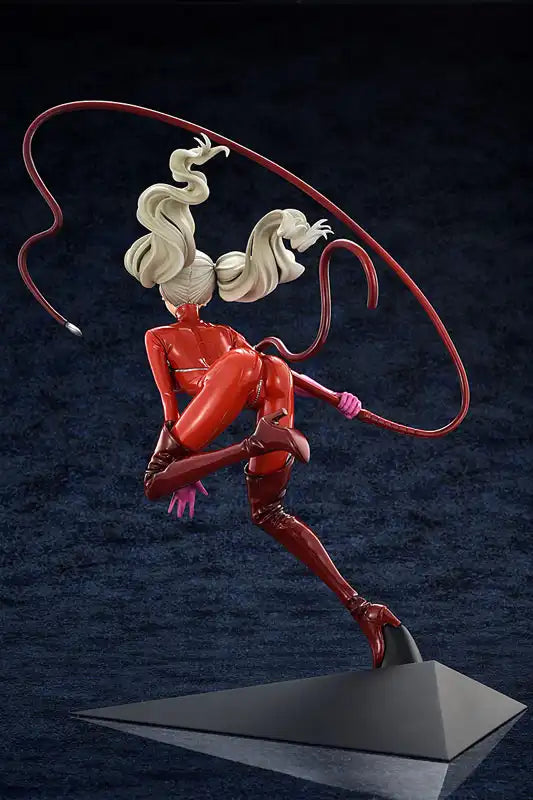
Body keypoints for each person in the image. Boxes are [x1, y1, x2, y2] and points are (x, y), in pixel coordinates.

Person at [124, 133, 401, 668]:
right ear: (210, 289)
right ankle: (363, 607)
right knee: (266, 377)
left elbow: (169, 406)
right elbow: (278, 373)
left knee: (158, 481)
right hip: (251, 386)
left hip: (224, 402)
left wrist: (180, 457)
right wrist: (334, 397)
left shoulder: (159, 336)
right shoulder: (228, 335)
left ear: (166, 289)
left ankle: (256, 444)